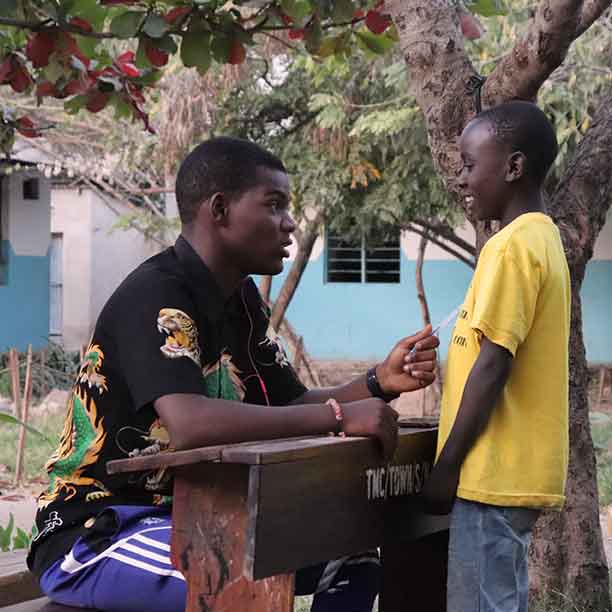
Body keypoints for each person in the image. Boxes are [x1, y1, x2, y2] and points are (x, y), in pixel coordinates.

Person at [28, 137, 440, 612]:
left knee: (351, 555)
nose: (290, 223)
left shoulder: (241, 302)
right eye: (274, 204)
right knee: (234, 581)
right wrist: (338, 416)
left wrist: (377, 383)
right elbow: (190, 424)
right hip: (100, 526)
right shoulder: (156, 293)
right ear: (220, 210)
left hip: (201, 518)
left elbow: (289, 405)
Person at [422, 101, 570, 612]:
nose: (461, 179)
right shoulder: (543, 237)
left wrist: (447, 466)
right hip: (516, 473)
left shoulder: (510, 247)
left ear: (513, 166)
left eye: (469, 164)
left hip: (491, 475)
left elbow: (493, 364)